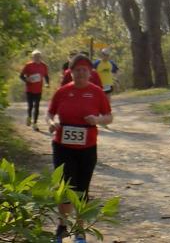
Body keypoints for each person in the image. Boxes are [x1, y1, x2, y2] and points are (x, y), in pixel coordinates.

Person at [46, 53, 113, 243]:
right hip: (63, 146)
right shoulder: (62, 91)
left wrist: (97, 120)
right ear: (71, 72)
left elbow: (109, 117)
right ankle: (62, 227)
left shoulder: (97, 92)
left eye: (84, 70)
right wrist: (52, 123)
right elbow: (49, 113)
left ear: (90, 72)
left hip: (87, 147)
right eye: (77, 70)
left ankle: (80, 230)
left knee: (82, 189)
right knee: (66, 186)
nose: (81, 73)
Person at [19, 50, 49, 130]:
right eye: (35, 57)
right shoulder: (28, 65)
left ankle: (35, 123)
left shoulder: (44, 66)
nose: (37, 58)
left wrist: (47, 83)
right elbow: (21, 76)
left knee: (37, 106)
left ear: (41, 57)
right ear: (32, 57)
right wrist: (27, 79)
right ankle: (29, 117)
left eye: (39, 56)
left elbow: (46, 76)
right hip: (29, 89)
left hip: (38, 90)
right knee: (30, 106)